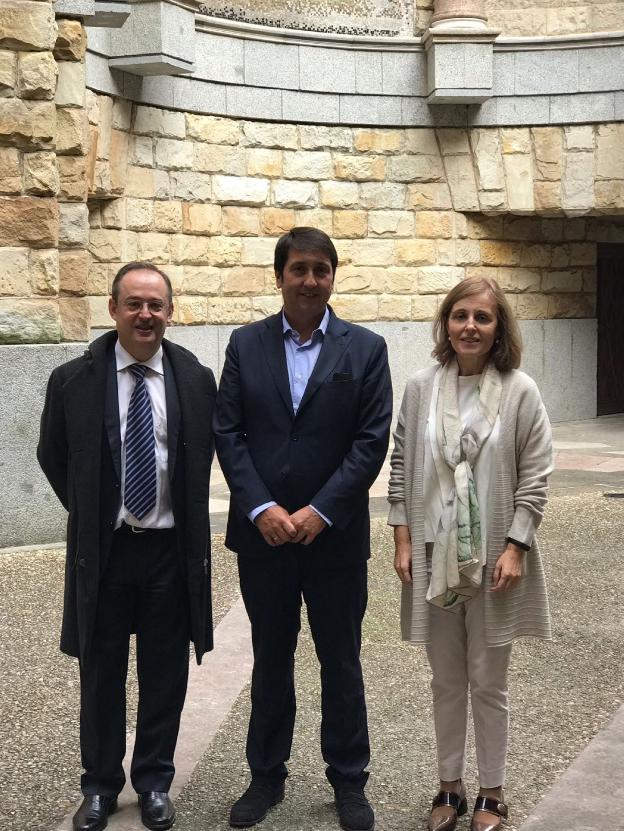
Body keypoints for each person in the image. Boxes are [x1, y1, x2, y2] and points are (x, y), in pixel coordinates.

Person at [214, 227, 392, 831]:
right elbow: (228, 433)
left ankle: (348, 781)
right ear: (280, 275)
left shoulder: (366, 349)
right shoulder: (245, 344)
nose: (310, 280)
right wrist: (262, 508)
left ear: (333, 276)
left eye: (321, 269)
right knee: (271, 659)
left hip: (334, 539)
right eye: (299, 269)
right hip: (263, 539)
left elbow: (370, 442)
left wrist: (320, 510)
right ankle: (266, 777)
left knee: (341, 660)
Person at [37, 262, 217, 831]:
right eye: (134, 304)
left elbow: (201, 458)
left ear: (170, 311)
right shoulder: (73, 380)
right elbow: (54, 457)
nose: (146, 314)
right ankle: (100, 786)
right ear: (113, 309)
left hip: (169, 553)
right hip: (108, 554)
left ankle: (154, 781)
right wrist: (91, 515)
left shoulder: (194, 378)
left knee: (166, 673)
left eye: (156, 305)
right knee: (102, 673)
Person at [388, 275, 552, 831]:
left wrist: (516, 545)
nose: (470, 327)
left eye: (483, 317)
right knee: (446, 680)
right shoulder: (420, 386)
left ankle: (493, 792)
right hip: (435, 554)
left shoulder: (520, 390)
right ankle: (449, 787)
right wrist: (403, 537)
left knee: (488, 679)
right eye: (461, 316)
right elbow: (402, 465)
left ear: (498, 327)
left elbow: (536, 473)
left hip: (494, 557)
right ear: (446, 323)